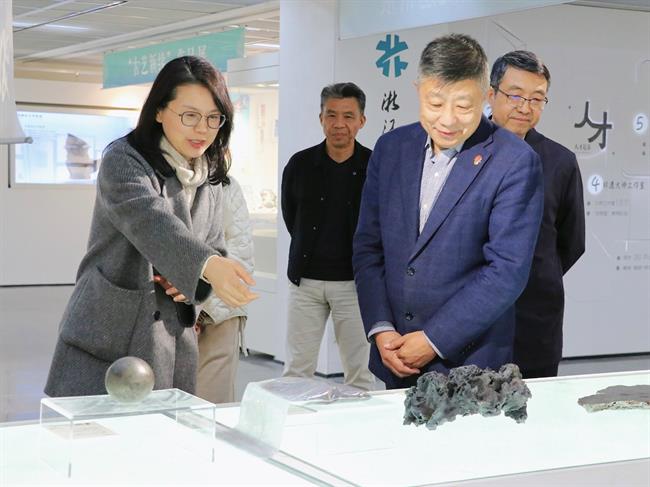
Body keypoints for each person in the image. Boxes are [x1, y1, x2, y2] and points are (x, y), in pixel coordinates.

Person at [44, 56, 257, 398]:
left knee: (165, 425)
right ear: (159, 111)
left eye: (213, 118)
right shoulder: (124, 159)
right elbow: (150, 221)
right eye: (190, 115)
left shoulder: (210, 174)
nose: (202, 129)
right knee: (96, 425)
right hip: (109, 330)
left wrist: (195, 283)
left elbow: (213, 242)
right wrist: (206, 266)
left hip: (171, 336)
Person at [353, 34, 544, 389]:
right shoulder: (391, 148)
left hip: (469, 364)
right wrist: (381, 328)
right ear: (418, 90)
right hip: (394, 354)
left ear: (485, 96)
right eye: (435, 103)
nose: (448, 120)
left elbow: (507, 270)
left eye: (464, 106)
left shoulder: (514, 161)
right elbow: (368, 246)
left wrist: (433, 339)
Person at [488, 50, 585, 378]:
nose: (525, 107)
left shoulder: (560, 161)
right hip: (467, 322)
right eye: (515, 95)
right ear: (491, 94)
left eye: (536, 98)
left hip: (534, 317)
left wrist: (536, 274)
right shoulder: (461, 152)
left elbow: (571, 242)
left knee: (535, 403)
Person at [280, 82, 375, 390]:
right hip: (306, 283)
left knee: (360, 372)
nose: (339, 124)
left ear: (361, 121)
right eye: (331, 115)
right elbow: (291, 216)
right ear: (321, 118)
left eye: (348, 116)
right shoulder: (300, 164)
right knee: (297, 369)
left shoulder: (375, 166)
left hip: (355, 284)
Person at [195, 175, 254, 403]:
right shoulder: (164, 181)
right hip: (176, 310)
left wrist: (199, 307)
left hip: (220, 311)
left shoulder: (227, 186)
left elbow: (239, 250)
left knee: (212, 403)